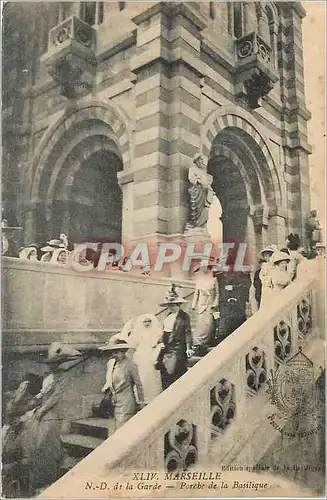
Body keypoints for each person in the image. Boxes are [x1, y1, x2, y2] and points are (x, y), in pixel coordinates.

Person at [23, 343, 83, 494]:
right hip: (43, 413)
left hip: (54, 413)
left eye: (55, 363)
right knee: (39, 444)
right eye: (50, 364)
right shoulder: (49, 377)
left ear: (59, 363)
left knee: (47, 443)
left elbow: (56, 396)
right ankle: (42, 478)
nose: (52, 366)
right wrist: (35, 403)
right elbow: (44, 393)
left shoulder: (63, 376)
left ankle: (49, 480)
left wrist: (42, 409)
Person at [99, 338, 145, 429]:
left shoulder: (131, 365)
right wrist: (106, 388)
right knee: (112, 430)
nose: (114, 355)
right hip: (113, 402)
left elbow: (138, 384)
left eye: (117, 352)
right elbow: (109, 380)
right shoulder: (111, 363)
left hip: (126, 403)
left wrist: (141, 402)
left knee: (122, 429)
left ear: (123, 351)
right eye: (112, 352)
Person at [157, 284, 192, 390]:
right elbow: (164, 331)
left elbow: (187, 332)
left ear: (178, 305)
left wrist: (189, 347)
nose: (171, 307)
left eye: (173, 305)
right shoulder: (168, 316)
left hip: (178, 347)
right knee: (165, 370)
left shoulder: (184, 316)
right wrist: (161, 341)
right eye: (169, 305)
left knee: (177, 370)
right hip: (167, 346)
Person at [128, 314, 162, 404]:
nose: (147, 323)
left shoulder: (156, 332)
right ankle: (142, 399)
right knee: (141, 377)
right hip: (141, 356)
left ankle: (153, 398)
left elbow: (158, 344)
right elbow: (132, 345)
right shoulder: (137, 333)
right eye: (145, 321)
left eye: (149, 321)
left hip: (151, 355)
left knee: (151, 377)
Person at [191, 263, 219, 356]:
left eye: (207, 269)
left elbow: (217, 294)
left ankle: (206, 341)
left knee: (209, 324)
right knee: (201, 324)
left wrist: (215, 303)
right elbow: (196, 294)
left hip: (210, 305)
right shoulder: (199, 282)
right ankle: (198, 343)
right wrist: (194, 304)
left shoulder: (214, 280)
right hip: (201, 305)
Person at [185, 153, 214, 230]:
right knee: (196, 208)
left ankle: (201, 225)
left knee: (205, 208)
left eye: (202, 160)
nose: (201, 161)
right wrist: (199, 181)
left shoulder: (203, 171)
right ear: (196, 160)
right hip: (197, 191)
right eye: (200, 159)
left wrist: (208, 186)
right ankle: (195, 224)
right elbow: (191, 178)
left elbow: (206, 181)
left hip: (205, 192)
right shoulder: (192, 169)